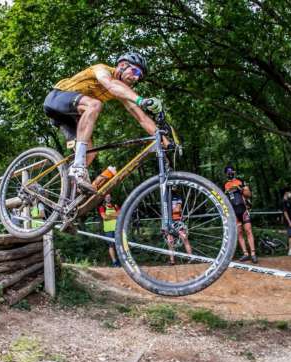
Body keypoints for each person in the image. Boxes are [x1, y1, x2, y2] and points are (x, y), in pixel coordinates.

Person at [43, 52, 162, 193]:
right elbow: (110, 85)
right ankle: (78, 167)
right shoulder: (102, 69)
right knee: (95, 104)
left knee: (90, 154)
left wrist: (164, 140)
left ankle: (67, 195)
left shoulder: (122, 89)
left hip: (72, 117)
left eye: (140, 76)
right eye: (135, 71)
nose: (136, 77)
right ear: (122, 65)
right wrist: (141, 100)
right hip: (57, 98)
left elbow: (141, 118)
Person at [224, 165, 257, 263]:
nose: (230, 173)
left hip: (243, 209)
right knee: (239, 233)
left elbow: (249, 194)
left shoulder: (241, 181)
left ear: (234, 172)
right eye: (228, 172)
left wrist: (241, 189)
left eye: (231, 171)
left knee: (248, 230)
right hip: (233, 212)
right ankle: (245, 253)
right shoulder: (224, 184)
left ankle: (253, 254)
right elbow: (223, 200)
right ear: (225, 174)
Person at [166, 188, 193, 265]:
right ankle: (172, 261)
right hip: (169, 222)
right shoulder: (165, 198)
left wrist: (170, 210)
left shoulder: (178, 197)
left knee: (184, 239)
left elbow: (178, 209)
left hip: (178, 221)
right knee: (170, 241)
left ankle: (190, 258)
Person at [98, 194, 121, 267]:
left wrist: (109, 216)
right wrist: (115, 215)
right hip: (108, 229)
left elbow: (120, 214)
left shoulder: (115, 206)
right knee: (111, 246)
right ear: (104, 198)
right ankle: (115, 262)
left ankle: (121, 261)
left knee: (119, 245)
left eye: (109, 197)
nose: (108, 198)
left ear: (111, 198)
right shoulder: (102, 207)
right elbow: (104, 217)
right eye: (106, 197)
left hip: (117, 228)